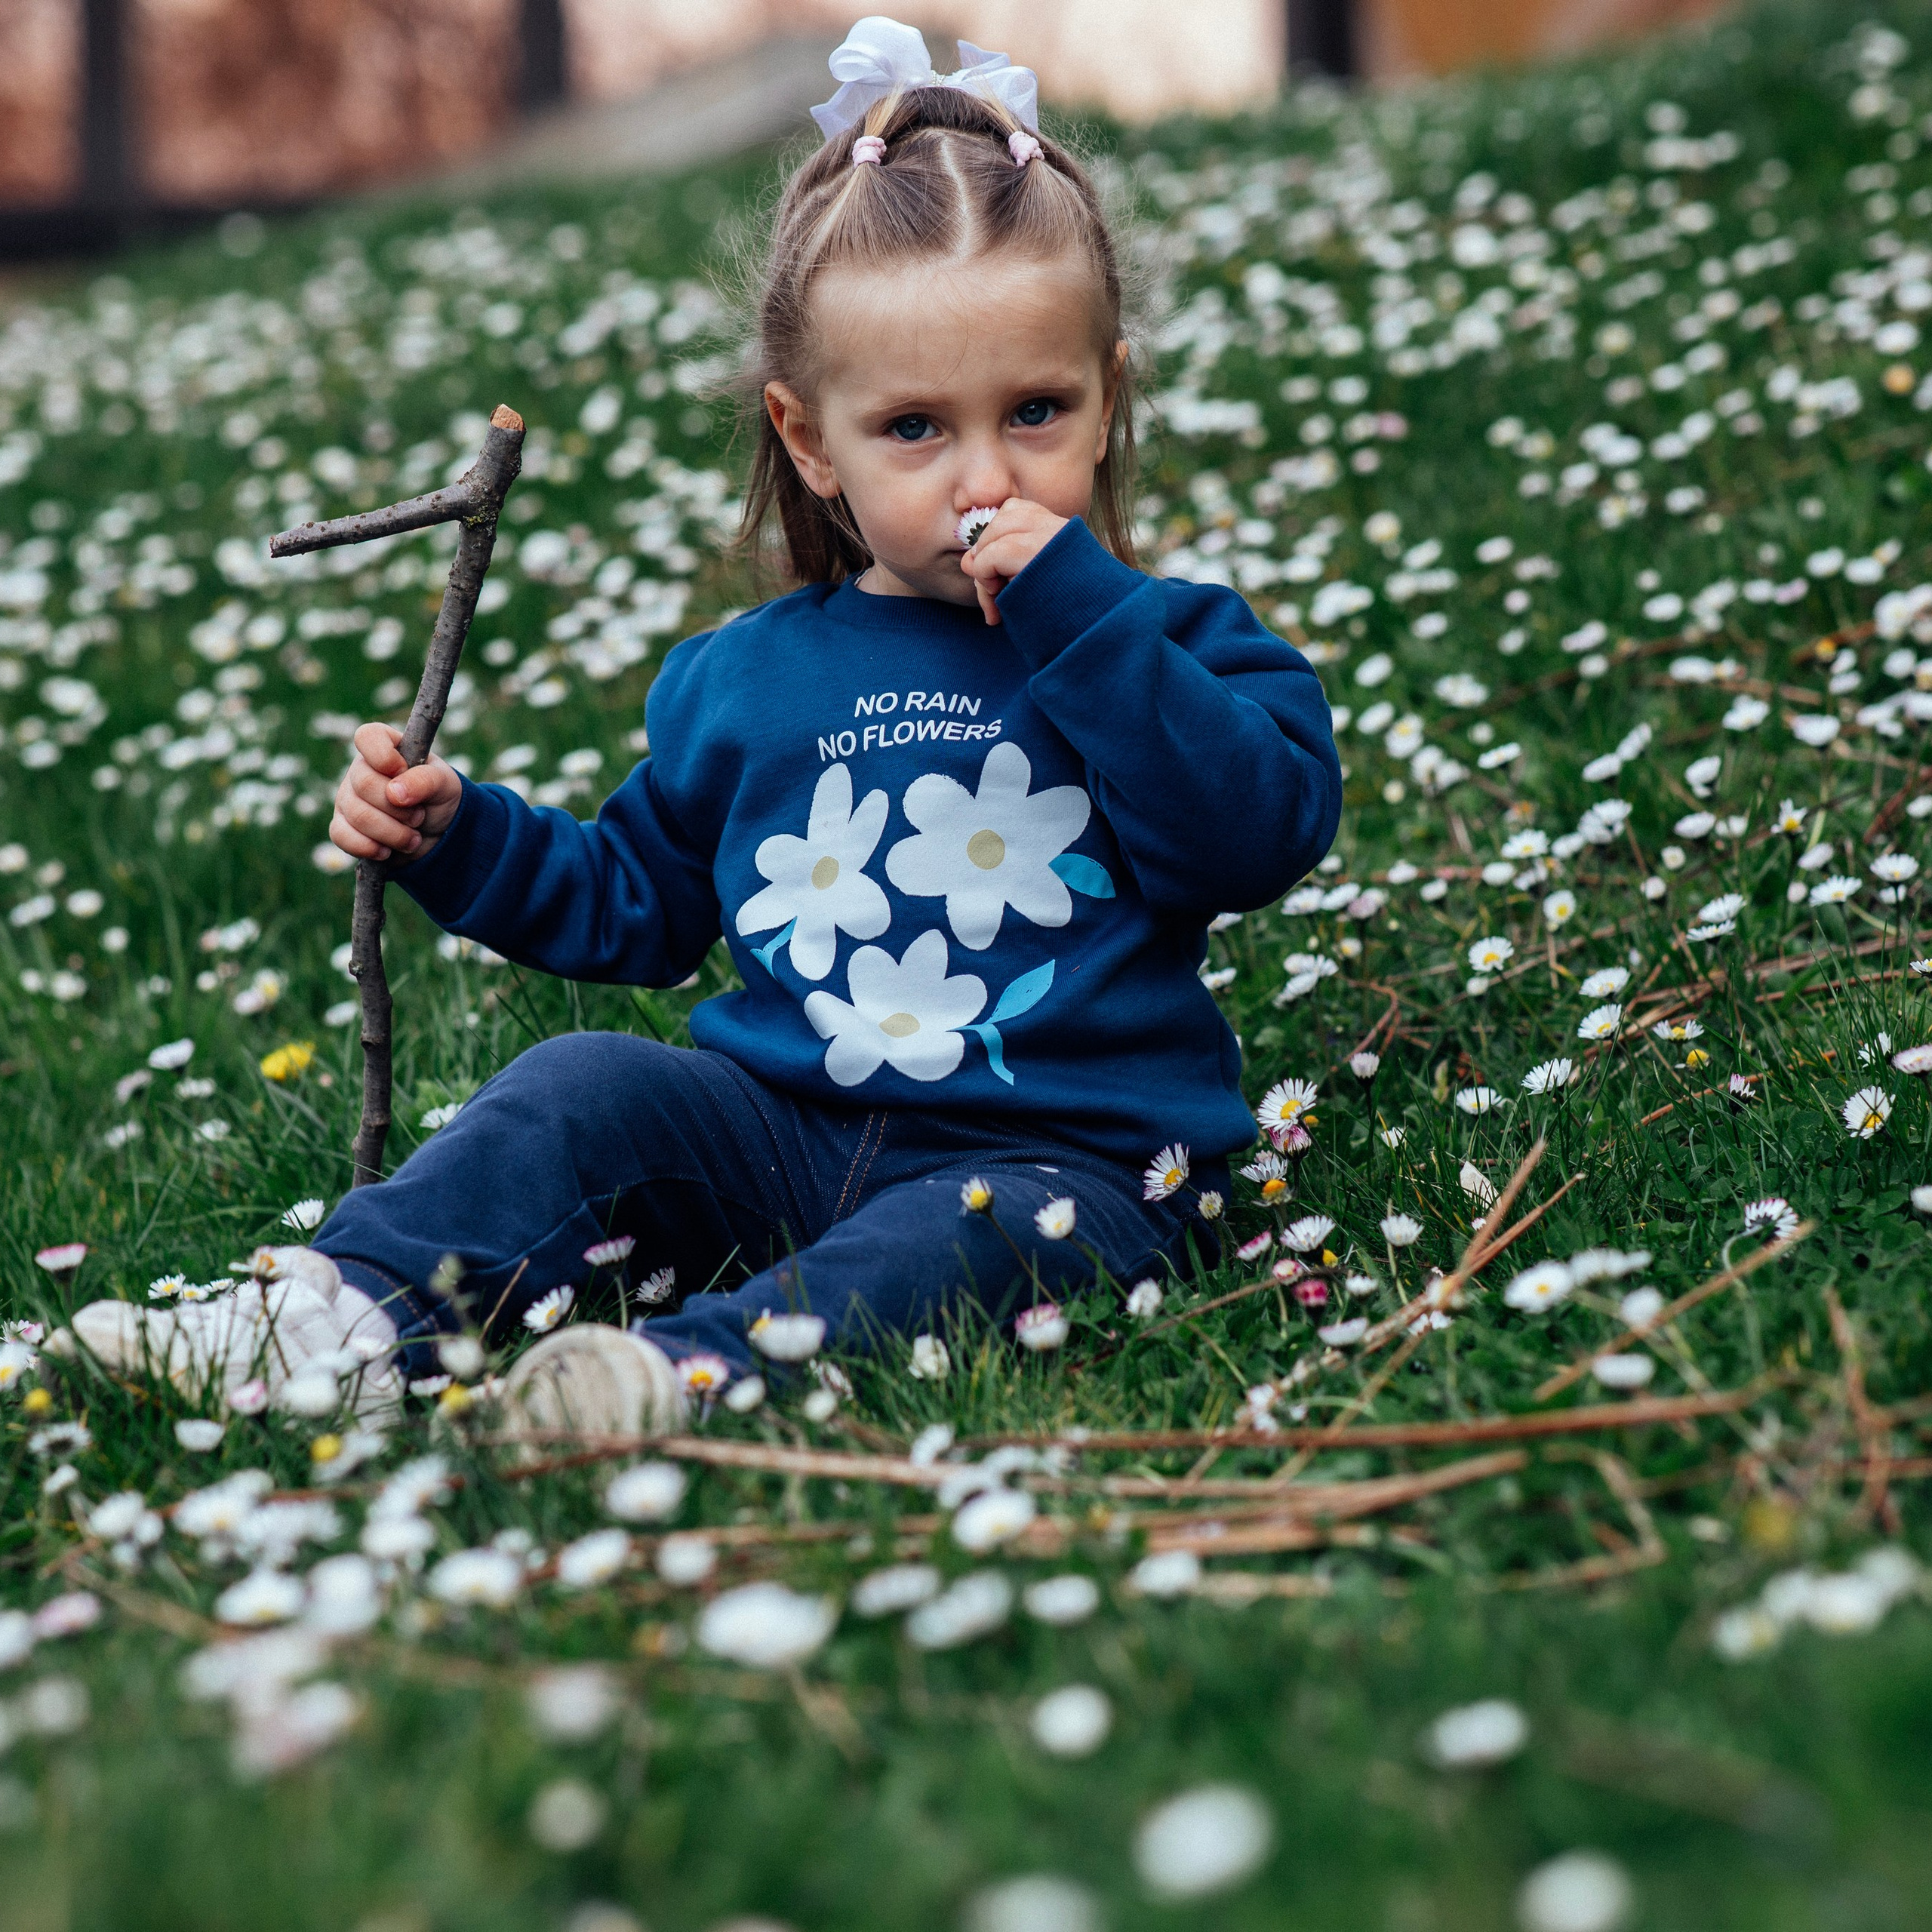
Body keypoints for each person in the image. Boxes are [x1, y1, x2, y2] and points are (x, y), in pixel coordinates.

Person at [69, 19, 1340, 1440]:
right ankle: (334, 1316)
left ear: (1107, 398)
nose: (987, 474)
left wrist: (1087, 621)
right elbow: (642, 903)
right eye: (915, 428)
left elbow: (1252, 835)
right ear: (813, 441)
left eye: (1037, 410)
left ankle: (672, 1376)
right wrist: (461, 837)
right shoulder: (741, 681)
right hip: (777, 1136)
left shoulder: (1173, 641)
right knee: (583, 1089)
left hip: (1074, 1166)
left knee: (954, 1247)